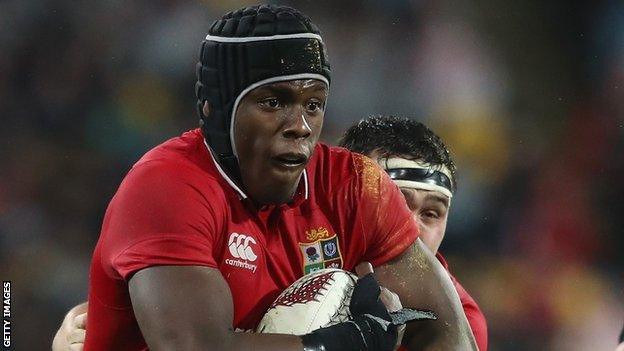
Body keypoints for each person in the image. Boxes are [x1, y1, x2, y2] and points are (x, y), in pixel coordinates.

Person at [52, 4, 476, 351]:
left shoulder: (356, 185)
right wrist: (332, 345)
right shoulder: (167, 187)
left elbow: (449, 335)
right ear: (213, 109)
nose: (300, 126)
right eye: (274, 102)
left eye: (314, 104)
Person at [339, 115, 488, 350]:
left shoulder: (459, 323)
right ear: (343, 199)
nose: (413, 229)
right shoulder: (288, 245)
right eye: (396, 205)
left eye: (431, 213)